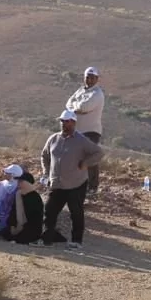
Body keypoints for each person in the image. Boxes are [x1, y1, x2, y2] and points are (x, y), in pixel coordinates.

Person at [38, 110, 104, 249]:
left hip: (76, 183)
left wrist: (86, 163)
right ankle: (46, 240)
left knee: (76, 212)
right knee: (49, 211)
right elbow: (44, 156)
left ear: (73, 123)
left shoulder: (81, 140)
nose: (63, 124)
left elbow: (98, 152)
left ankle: (76, 241)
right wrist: (46, 173)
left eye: (67, 121)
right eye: (62, 121)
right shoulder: (53, 138)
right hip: (57, 183)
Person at [66, 66, 105, 197]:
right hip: (78, 130)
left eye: (92, 77)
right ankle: (79, 184)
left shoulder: (97, 94)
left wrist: (76, 107)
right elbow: (68, 103)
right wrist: (76, 108)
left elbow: (84, 107)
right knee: (76, 156)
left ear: (97, 79)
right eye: (87, 77)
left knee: (90, 157)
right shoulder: (80, 90)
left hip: (91, 130)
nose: (89, 80)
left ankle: (92, 187)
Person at [6, 172, 43, 245]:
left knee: (24, 237)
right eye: (18, 181)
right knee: (6, 232)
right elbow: (13, 211)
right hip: (18, 226)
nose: (18, 184)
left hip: (31, 227)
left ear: (27, 183)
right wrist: (12, 225)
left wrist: (23, 227)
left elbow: (35, 218)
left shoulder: (35, 197)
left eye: (21, 181)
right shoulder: (19, 195)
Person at [0, 164, 22, 234]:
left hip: (8, 218)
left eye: (7, 173)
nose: (4, 174)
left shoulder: (19, 188)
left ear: (13, 175)